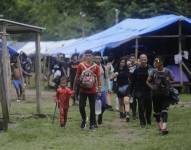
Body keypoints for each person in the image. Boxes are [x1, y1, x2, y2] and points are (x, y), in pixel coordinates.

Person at [73, 50, 101, 131]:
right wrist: (74, 88)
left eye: (89, 55)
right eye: (87, 55)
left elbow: (99, 79)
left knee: (92, 108)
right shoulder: (80, 65)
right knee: (81, 106)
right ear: (84, 56)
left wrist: (99, 90)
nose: (88, 57)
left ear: (92, 56)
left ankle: (92, 124)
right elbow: (76, 77)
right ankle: (84, 119)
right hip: (82, 90)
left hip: (93, 91)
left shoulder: (96, 67)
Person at [146, 57, 174, 135]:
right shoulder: (153, 72)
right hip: (155, 95)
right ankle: (160, 126)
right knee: (157, 112)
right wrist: (152, 87)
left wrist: (169, 80)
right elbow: (147, 81)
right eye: (155, 62)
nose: (156, 64)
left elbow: (173, 79)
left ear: (161, 63)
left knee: (164, 110)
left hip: (165, 94)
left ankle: (164, 127)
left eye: (157, 62)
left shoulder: (167, 71)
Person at [130, 54, 152, 128]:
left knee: (148, 107)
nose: (143, 60)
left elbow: (154, 79)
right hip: (139, 91)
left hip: (148, 90)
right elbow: (132, 81)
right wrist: (131, 92)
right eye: (142, 59)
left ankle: (148, 121)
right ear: (139, 60)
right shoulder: (136, 70)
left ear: (147, 59)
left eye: (144, 58)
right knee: (141, 107)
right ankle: (142, 122)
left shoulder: (150, 68)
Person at [112, 57, 130, 122]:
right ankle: (121, 113)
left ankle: (127, 114)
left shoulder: (127, 69)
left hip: (126, 86)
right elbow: (111, 78)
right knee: (121, 102)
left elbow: (129, 76)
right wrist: (114, 75)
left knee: (126, 101)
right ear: (119, 62)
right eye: (121, 62)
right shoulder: (116, 69)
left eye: (124, 62)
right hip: (119, 87)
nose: (122, 63)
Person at [94, 52, 109, 125]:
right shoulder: (92, 67)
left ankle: (100, 115)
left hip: (102, 88)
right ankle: (93, 120)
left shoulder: (103, 67)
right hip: (93, 89)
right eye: (96, 58)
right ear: (94, 58)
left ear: (101, 59)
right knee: (95, 105)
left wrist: (108, 88)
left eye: (99, 58)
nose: (98, 60)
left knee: (104, 105)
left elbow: (106, 78)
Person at [128, 54, 138, 119]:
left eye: (133, 58)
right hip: (130, 85)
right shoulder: (127, 66)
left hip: (137, 85)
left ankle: (135, 112)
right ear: (129, 59)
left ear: (135, 59)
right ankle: (133, 112)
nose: (132, 59)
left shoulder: (137, 66)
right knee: (132, 99)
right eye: (131, 58)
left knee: (136, 100)